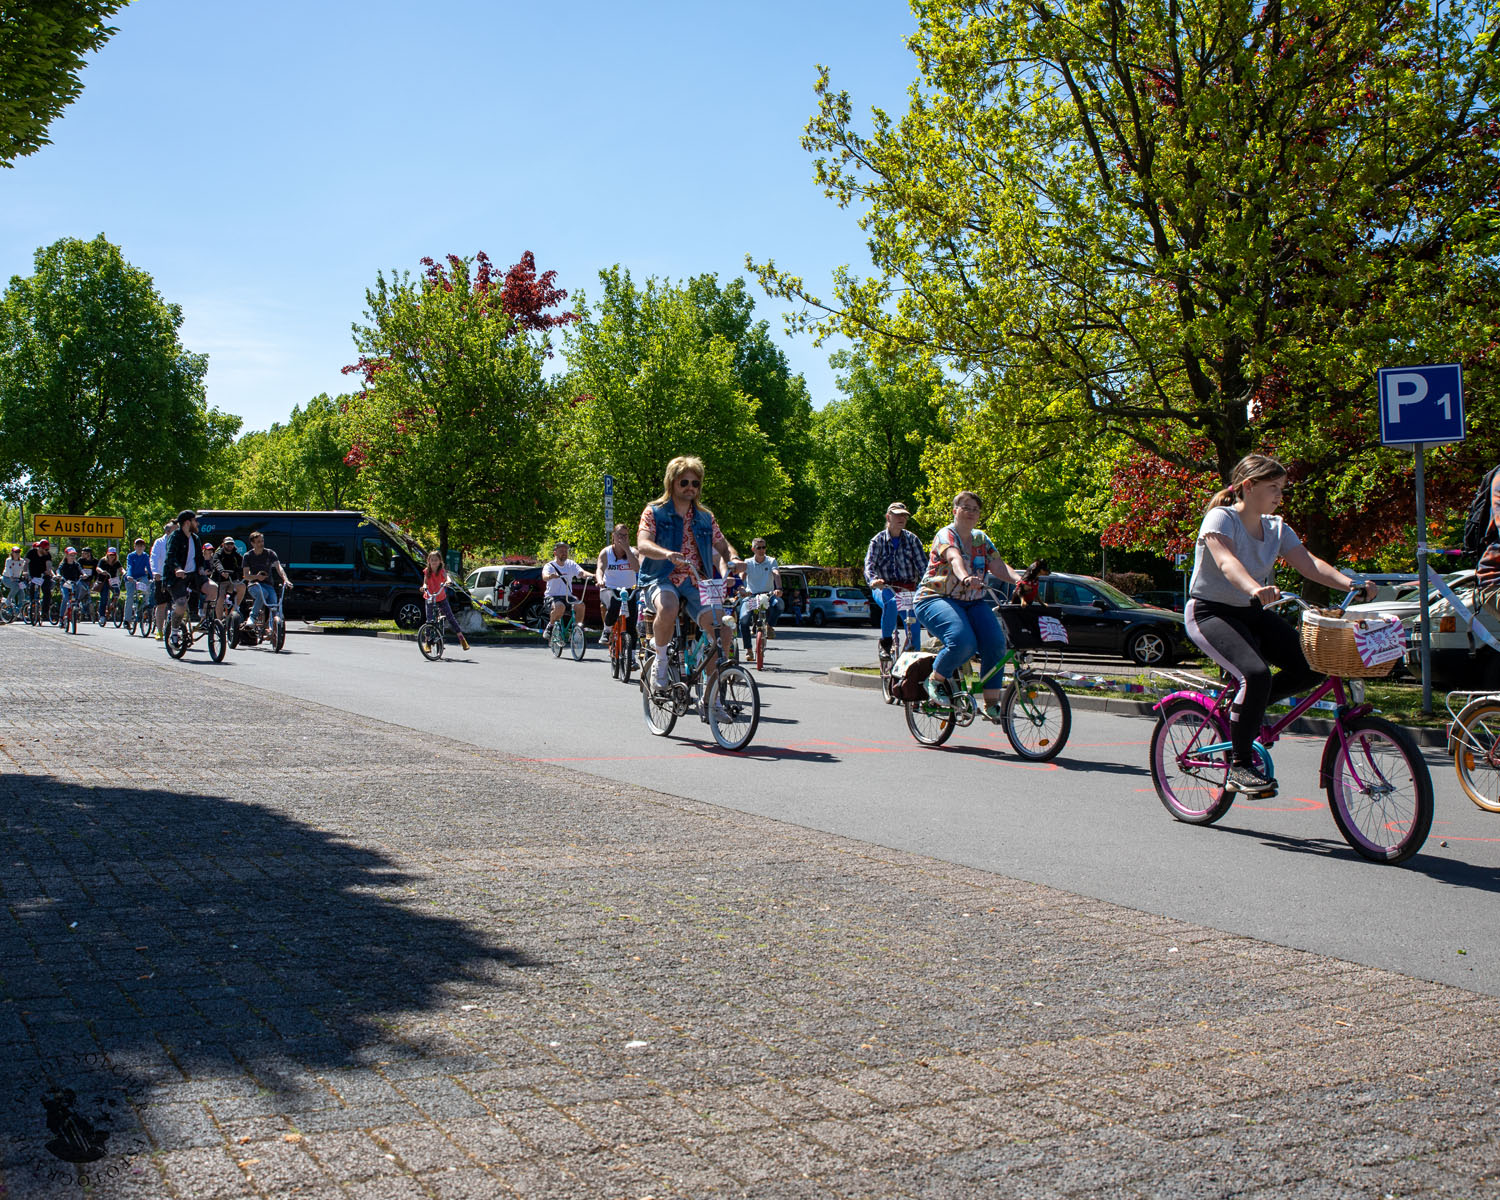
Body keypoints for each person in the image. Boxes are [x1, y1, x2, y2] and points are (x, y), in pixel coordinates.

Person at [1185, 454, 1376, 796]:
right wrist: (1255, 588)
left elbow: (1310, 564)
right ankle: (1240, 765)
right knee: (1255, 674)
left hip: (1252, 611)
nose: (1279, 496)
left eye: (1282, 489)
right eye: (1273, 488)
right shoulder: (1221, 518)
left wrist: (1350, 583)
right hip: (1210, 612)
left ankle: (1244, 712)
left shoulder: (1276, 527)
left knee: (1313, 666)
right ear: (1248, 486)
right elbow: (1227, 562)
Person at [913, 491, 1022, 718]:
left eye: (975, 509)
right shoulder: (946, 534)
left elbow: (998, 565)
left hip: (971, 601)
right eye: (966, 507)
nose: (971, 512)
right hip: (934, 598)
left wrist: (1020, 581)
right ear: (955, 511)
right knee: (963, 642)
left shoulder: (981, 538)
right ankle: (934, 680)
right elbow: (955, 559)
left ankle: (991, 703)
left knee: (996, 644)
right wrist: (965, 577)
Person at [637, 455, 740, 690]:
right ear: (671, 483)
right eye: (684, 482)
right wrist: (666, 554)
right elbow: (643, 543)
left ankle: (711, 698)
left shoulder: (705, 517)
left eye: (695, 483)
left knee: (723, 628)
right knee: (669, 606)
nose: (690, 488)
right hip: (661, 577)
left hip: (696, 580)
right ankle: (660, 662)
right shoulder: (654, 512)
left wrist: (733, 558)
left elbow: (722, 543)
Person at [865, 502, 926, 654]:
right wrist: (874, 580)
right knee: (891, 602)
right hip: (885, 587)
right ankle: (886, 642)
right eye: (897, 515)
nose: (902, 518)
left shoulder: (913, 540)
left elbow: (924, 567)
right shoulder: (877, 540)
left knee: (914, 630)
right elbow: (869, 565)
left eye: (904, 515)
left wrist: (929, 585)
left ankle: (912, 666)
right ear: (888, 517)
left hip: (907, 590)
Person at [595, 524, 640, 649]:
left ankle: (631, 658)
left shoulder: (633, 552)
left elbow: (637, 568)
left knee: (631, 624)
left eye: (625, 536)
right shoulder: (606, 552)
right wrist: (600, 580)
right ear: (613, 536)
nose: (622, 538)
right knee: (614, 603)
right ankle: (607, 630)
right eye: (619, 535)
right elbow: (600, 569)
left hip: (629, 589)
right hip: (609, 588)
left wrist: (627, 550)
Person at [736, 538, 784, 654]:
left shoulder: (771, 561)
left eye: (764, 547)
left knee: (779, 605)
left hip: (768, 595)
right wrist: (742, 589)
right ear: (753, 549)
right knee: (743, 621)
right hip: (752, 596)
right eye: (759, 548)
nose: (762, 550)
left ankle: (769, 626)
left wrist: (779, 588)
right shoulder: (747, 562)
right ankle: (748, 650)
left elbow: (776, 574)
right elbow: (742, 576)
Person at [163, 509, 207, 634]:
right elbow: (170, 556)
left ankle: (206, 620)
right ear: (187, 523)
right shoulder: (175, 537)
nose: (197, 523)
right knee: (181, 605)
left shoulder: (195, 538)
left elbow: (200, 558)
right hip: (177, 577)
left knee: (213, 589)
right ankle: (174, 632)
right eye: (195, 521)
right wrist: (177, 568)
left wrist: (201, 568)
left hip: (193, 576)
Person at [243, 531, 292, 633]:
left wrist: (286, 580)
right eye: (258, 542)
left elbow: (279, 568)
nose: (261, 543)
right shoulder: (248, 556)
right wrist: (257, 577)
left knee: (274, 605)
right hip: (254, 585)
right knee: (263, 594)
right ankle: (252, 618)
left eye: (262, 541)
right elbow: (246, 576)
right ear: (252, 543)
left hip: (268, 585)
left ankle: (272, 629)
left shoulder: (270, 553)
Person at [541, 541, 592, 636]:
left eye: (566, 551)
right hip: (552, 596)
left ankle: (577, 630)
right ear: (555, 553)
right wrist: (550, 576)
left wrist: (593, 575)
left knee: (581, 605)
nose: (564, 553)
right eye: (561, 551)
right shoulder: (549, 566)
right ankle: (550, 626)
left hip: (567, 596)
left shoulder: (570, 564)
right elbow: (544, 576)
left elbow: (581, 573)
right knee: (560, 607)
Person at [422, 550, 469, 651]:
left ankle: (462, 639)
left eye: (436, 560)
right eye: (432, 560)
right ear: (429, 561)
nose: (434, 562)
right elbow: (425, 582)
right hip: (430, 598)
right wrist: (424, 587)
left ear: (440, 561)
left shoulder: (442, 571)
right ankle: (427, 642)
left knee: (450, 618)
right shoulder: (427, 571)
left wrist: (448, 582)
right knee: (429, 620)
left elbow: (447, 577)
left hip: (441, 598)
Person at [150, 519, 176, 639]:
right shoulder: (159, 542)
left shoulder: (179, 542)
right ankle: (159, 631)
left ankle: (176, 630)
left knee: (178, 604)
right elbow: (154, 557)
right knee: (161, 605)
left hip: (176, 578)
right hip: (161, 577)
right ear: (167, 530)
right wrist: (155, 572)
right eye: (174, 529)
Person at [212, 536, 245, 621]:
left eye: (231, 544)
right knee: (220, 598)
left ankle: (232, 614)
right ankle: (219, 621)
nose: (230, 546)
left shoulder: (236, 554)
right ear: (223, 544)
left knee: (242, 586)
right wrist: (222, 571)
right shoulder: (218, 553)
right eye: (227, 544)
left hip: (232, 581)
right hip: (220, 581)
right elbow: (216, 562)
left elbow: (244, 564)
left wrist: (248, 572)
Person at [25, 539, 55, 621]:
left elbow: (48, 564)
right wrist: (25, 572)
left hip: (43, 575)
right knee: (32, 587)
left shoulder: (47, 555)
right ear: (40, 548)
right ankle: (32, 603)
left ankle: (45, 611)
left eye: (48, 549)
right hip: (33, 575)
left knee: (47, 592)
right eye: (46, 549)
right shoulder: (32, 553)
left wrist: (48, 571)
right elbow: (26, 563)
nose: (47, 551)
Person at [124, 539, 152, 623]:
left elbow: (149, 567)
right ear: (135, 547)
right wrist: (129, 575)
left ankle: (144, 609)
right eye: (138, 545)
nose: (140, 547)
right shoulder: (131, 556)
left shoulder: (145, 556)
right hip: (131, 577)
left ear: (144, 547)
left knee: (147, 592)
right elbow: (130, 566)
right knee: (130, 597)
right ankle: (127, 620)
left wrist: (153, 577)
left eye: (142, 545)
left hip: (142, 577)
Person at [93, 547, 124, 622]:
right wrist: (102, 571)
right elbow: (97, 568)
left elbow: (121, 569)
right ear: (107, 554)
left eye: (113, 555)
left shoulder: (116, 562)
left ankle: (113, 604)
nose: (112, 556)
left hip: (112, 580)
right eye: (110, 555)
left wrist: (124, 573)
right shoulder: (103, 561)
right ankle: (102, 616)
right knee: (104, 597)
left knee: (117, 591)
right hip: (103, 581)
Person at [57, 547, 85, 619]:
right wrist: (58, 575)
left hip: (74, 583)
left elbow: (81, 570)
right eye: (70, 555)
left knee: (80, 585)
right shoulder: (63, 564)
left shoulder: (76, 564)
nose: (72, 557)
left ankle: (77, 602)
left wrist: (84, 574)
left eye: (73, 555)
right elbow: (58, 570)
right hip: (65, 583)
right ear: (66, 555)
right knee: (66, 598)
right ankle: (61, 617)